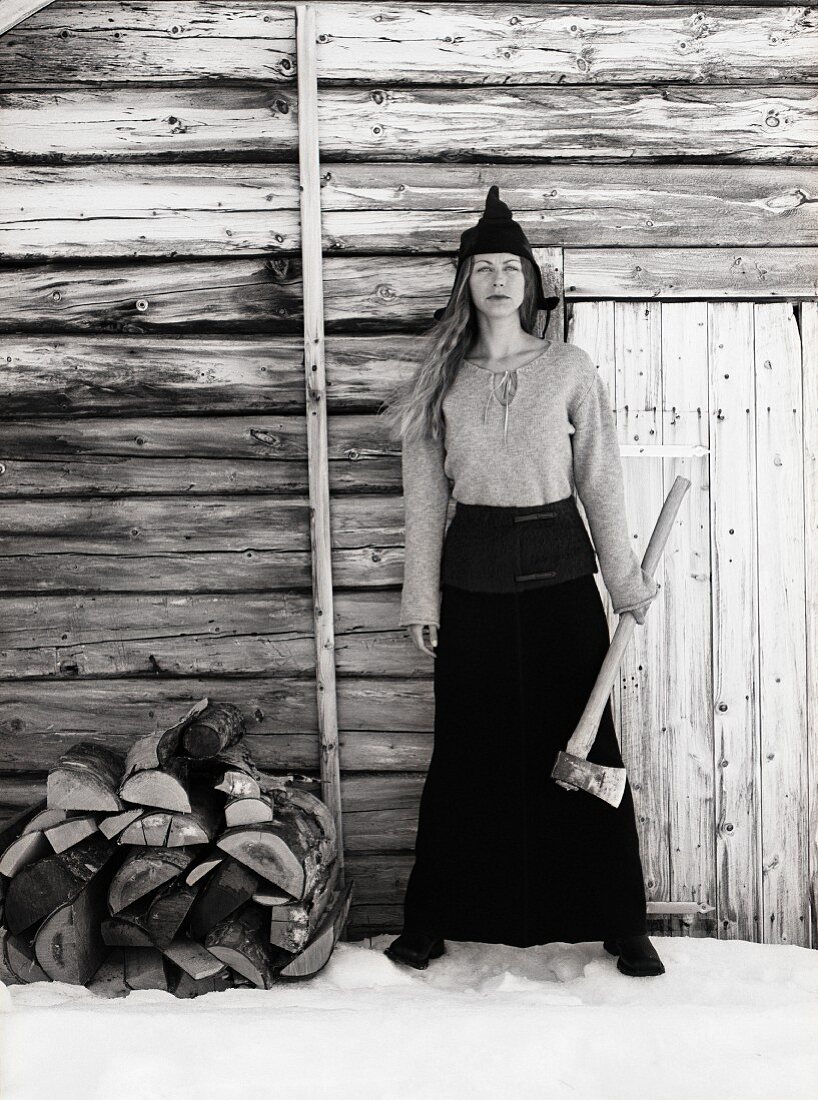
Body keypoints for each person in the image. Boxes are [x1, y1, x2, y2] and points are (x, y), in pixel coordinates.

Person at [379, 186, 665, 978]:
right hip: (471, 584)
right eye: (485, 267)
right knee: (467, 755)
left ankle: (618, 920)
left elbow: (599, 480)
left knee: (587, 747)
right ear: (465, 280)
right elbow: (425, 496)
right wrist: (420, 596)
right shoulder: (441, 376)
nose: (499, 279)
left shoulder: (567, 368)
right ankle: (435, 918)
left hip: (561, 585)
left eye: (513, 267)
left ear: (529, 282)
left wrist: (626, 577)